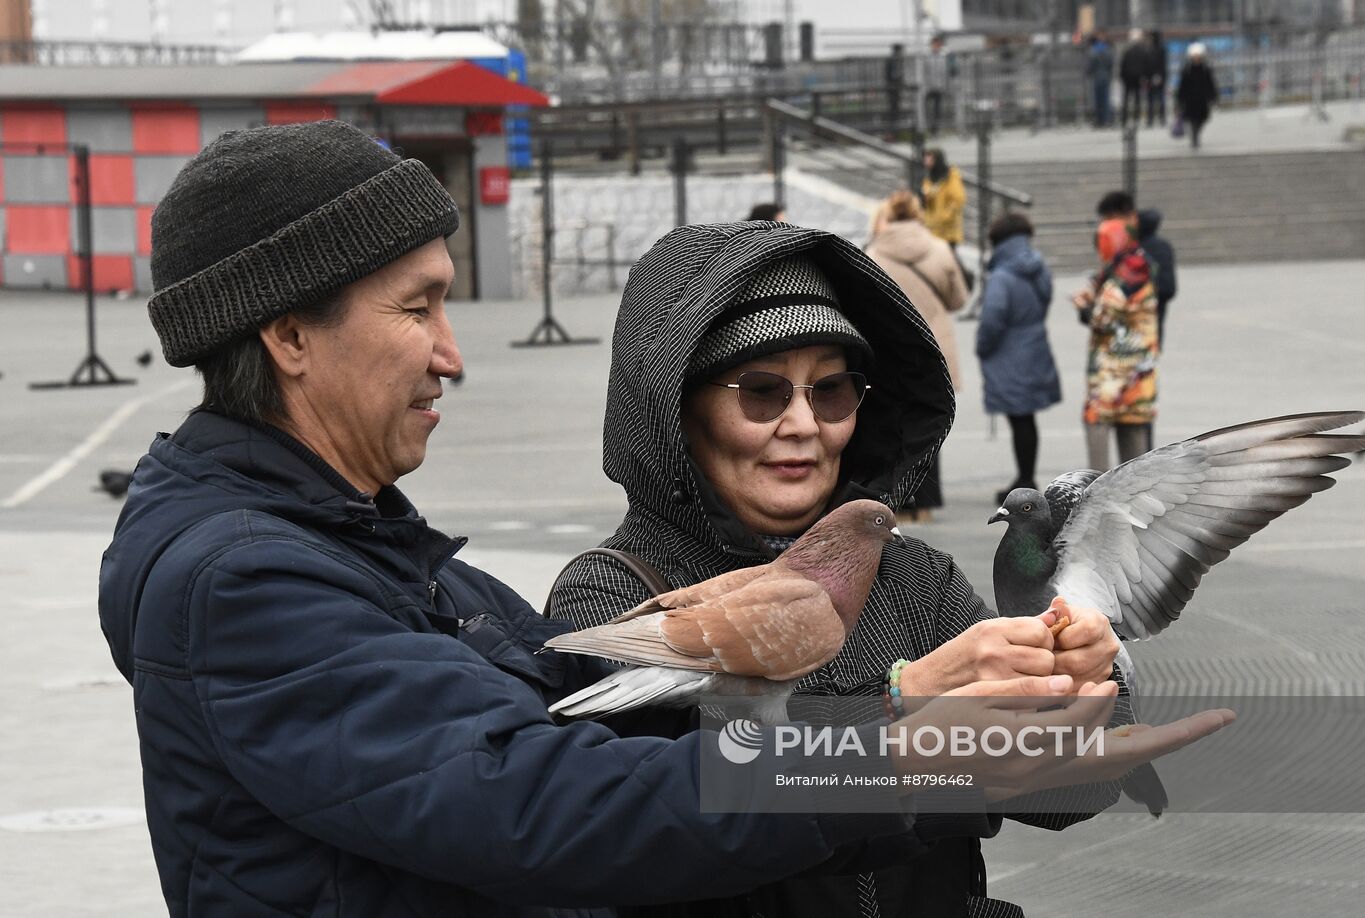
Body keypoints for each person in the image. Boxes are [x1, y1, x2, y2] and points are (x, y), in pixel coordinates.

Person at [98, 121, 1215, 917]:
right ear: (289, 336)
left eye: (833, 390)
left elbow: (1057, 779)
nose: (452, 350)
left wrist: (1052, 695)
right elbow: (558, 798)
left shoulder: (375, 546)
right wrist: (904, 743)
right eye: (418, 305)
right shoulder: (244, 582)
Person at [546, 222, 1146, 918]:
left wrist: (1085, 684)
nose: (804, 424)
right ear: (676, 408)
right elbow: (674, 808)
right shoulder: (609, 591)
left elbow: (1070, 793)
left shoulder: (915, 581)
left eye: (832, 391)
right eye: (763, 391)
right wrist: (911, 716)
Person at [865, 189, 968, 523]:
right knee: (931, 419)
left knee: (892, 425)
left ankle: (899, 499)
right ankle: (925, 501)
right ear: (918, 215)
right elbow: (958, 299)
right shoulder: (939, 249)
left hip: (889, 350)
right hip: (933, 347)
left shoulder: (874, 252)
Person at [975, 213, 1060, 504]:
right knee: (1026, 417)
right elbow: (1046, 300)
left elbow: (992, 319)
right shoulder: (1037, 268)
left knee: (1019, 417)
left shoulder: (1002, 276)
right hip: (1035, 346)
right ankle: (1026, 474)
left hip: (1009, 353)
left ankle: (1025, 477)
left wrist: (983, 347)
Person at [1073, 205, 1160, 471]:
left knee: (1096, 424)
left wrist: (1084, 307)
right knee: (1134, 442)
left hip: (1111, 374)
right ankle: (1139, 499)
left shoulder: (1121, 278)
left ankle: (1096, 486)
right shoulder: (1141, 266)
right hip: (1139, 373)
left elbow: (1103, 318)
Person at [1136, 208, 1177, 351]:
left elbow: (1167, 288)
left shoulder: (1135, 248)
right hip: (1153, 317)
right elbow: (1169, 289)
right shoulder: (1163, 247)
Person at [1175, 43, 1219, 149]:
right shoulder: (1187, 70)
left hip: (1202, 98)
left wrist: (1213, 96)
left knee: (1203, 118)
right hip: (1190, 99)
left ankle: (1196, 133)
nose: (1196, 58)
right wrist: (1179, 99)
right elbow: (1182, 85)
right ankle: (1195, 136)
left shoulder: (1206, 69)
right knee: (1191, 119)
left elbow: (1210, 83)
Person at [920, 148, 965, 249]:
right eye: (925, 159)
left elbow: (958, 199)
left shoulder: (951, 176)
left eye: (930, 159)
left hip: (948, 232)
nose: (926, 162)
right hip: (932, 230)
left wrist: (945, 217)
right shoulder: (928, 179)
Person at [1118, 28, 1151, 126]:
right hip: (1138, 79)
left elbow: (1123, 66)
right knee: (1137, 99)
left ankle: (1124, 118)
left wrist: (1123, 77)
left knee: (1126, 99)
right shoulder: (1143, 51)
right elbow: (1146, 66)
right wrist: (1145, 77)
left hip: (1128, 79)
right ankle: (1136, 118)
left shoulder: (1127, 51)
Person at [1086, 31, 1115, 128]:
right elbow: (1111, 63)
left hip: (1097, 77)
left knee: (1098, 100)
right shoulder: (1108, 49)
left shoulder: (1093, 50)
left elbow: (1091, 64)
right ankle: (1106, 120)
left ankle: (1099, 120)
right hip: (1105, 76)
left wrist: (1089, 73)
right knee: (1106, 99)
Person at [1145, 30, 1169, 126]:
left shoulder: (1149, 49)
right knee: (1159, 98)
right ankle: (1161, 118)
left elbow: (1148, 65)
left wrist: (1148, 76)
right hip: (1159, 76)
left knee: (1151, 99)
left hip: (1152, 77)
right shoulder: (1162, 49)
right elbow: (1163, 65)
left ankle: (1151, 119)